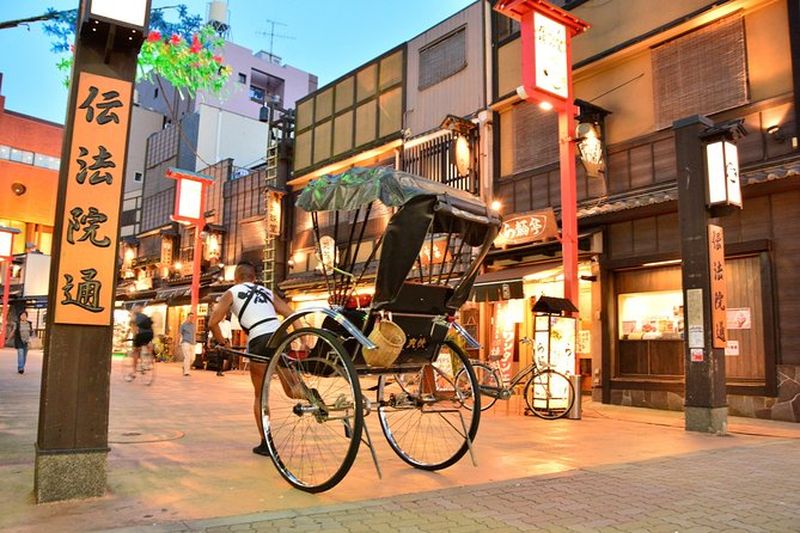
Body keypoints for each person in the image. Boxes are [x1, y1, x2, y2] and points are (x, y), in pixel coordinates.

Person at [208, 261, 294, 456]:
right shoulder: (266, 291)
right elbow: (290, 313)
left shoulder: (232, 291)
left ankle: (266, 443)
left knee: (260, 395)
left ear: (236, 278)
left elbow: (214, 322)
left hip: (260, 339)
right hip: (281, 335)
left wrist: (223, 343)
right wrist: (301, 339)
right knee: (293, 389)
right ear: (254, 278)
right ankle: (314, 398)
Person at [128, 304, 153, 381]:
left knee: (136, 351)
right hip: (150, 334)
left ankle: (134, 372)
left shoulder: (134, 317)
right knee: (147, 346)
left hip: (141, 334)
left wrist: (134, 339)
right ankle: (147, 363)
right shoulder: (145, 316)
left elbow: (134, 329)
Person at [207, 311, 232, 376]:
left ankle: (223, 369)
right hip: (218, 339)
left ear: (226, 316)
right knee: (219, 355)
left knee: (226, 355)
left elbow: (229, 333)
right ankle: (219, 370)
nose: (223, 317)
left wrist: (230, 343)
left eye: (224, 316)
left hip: (226, 340)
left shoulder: (228, 323)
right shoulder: (217, 323)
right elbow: (211, 333)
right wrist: (208, 342)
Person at [180, 312, 196, 377]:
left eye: (192, 317)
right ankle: (186, 372)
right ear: (187, 317)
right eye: (190, 317)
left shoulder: (193, 325)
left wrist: (195, 342)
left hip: (192, 343)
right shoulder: (183, 325)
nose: (191, 318)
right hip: (185, 342)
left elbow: (194, 334)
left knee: (192, 358)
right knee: (187, 357)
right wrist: (180, 341)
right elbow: (180, 333)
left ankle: (184, 366)